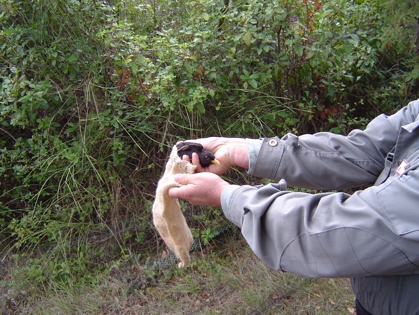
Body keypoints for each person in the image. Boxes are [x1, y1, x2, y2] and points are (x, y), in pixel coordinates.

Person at [168, 99, 419, 315]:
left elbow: (345, 233)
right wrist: (241, 151)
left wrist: (226, 196)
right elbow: (361, 151)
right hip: (377, 299)